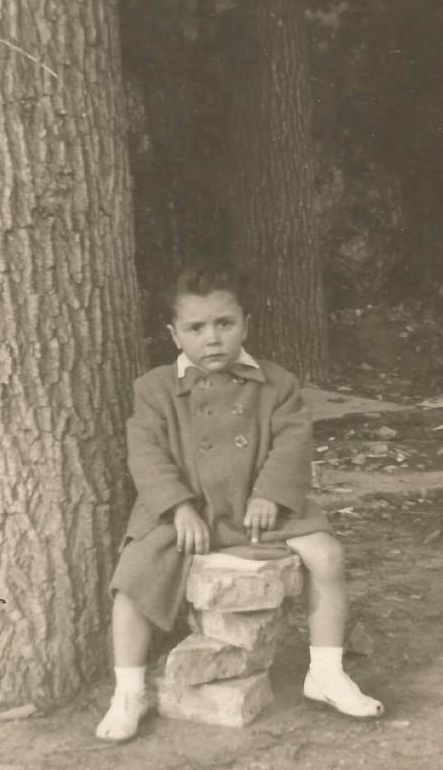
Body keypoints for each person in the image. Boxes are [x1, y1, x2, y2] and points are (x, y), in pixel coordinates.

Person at [97, 264, 383, 741]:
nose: (212, 339)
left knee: (327, 554)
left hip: (259, 507)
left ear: (245, 325)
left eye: (224, 324)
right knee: (131, 580)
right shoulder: (155, 388)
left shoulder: (276, 383)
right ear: (174, 335)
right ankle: (128, 691)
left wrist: (271, 491)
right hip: (188, 512)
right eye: (196, 328)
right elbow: (144, 452)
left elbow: (293, 441)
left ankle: (326, 672)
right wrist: (177, 506)